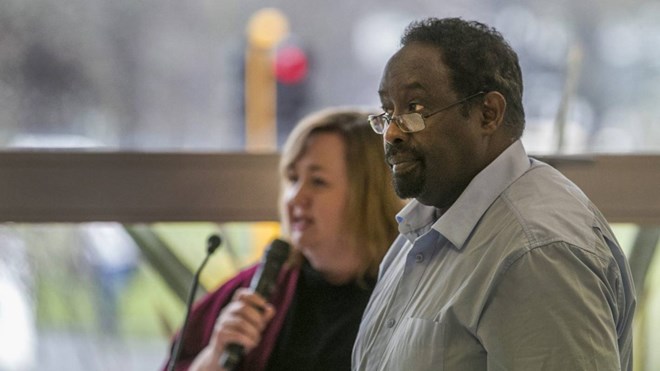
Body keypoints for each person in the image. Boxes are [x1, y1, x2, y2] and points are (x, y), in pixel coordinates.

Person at [352, 17, 636, 371]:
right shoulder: (422, 227)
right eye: (387, 110)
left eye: (415, 108)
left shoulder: (537, 254)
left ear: (488, 114)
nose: (391, 131)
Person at [162, 107, 403, 371]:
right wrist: (216, 354)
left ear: (367, 194)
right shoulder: (261, 288)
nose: (295, 198)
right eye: (292, 179)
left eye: (318, 181)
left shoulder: (412, 285)